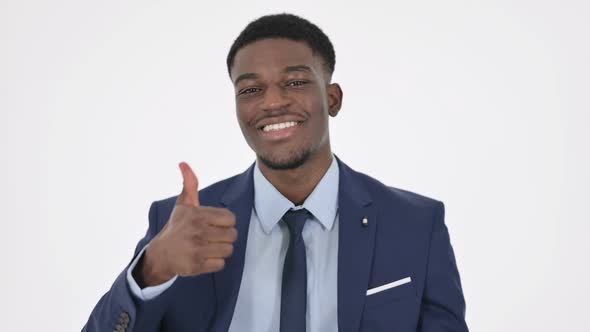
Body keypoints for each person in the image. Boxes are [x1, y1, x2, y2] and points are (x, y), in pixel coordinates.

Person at [83, 13, 469, 332]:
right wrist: (152, 269)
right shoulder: (182, 225)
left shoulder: (415, 224)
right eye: (250, 90)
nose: (272, 102)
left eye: (295, 82)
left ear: (332, 99)